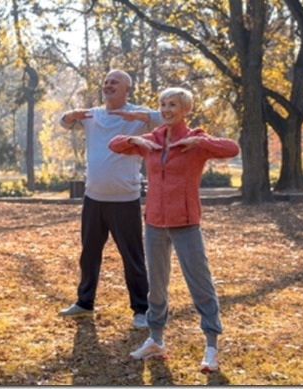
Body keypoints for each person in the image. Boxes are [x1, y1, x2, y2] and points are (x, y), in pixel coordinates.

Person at [108, 87, 240, 372]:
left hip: (186, 224)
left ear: (185, 110)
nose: (166, 109)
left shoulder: (197, 141)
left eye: (173, 105)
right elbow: (115, 145)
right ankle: (155, 340)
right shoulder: (151, 140)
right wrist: (133, 138)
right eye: (163, 104)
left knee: (200, 285)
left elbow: (232, 148)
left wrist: (200, 142)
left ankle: (211, 347)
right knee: (156, 287)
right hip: (154, 223)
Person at [57, 69, 163, 328]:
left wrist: (137, 116)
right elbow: (63, 122)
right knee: (89, 254)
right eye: (105, 82)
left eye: (114, 82)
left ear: (127, 88)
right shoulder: (94, 115)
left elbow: (167, 118)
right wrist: (70, 115)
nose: (108, 85)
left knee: (133, 257)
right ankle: (84, 302)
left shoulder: (138, 115)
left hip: (124, 199)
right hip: (93, 197)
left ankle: (141, 310)